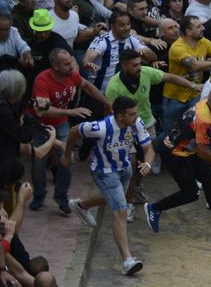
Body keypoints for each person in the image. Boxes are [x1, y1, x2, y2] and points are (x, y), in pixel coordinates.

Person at [66, 96, 154, 277]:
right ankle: (127, 260)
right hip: (104, 172)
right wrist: (67, 155)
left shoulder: (136, 123)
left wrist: (148, 164)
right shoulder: (101, 127)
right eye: (132, 113)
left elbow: (149, 149)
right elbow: (74, 130)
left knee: (114, 199)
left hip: (125, 168)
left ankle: (81, 205)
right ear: (120, 116)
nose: (136, 116)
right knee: (120, 209)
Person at [146, 89, 211, 237]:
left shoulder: (206, 103)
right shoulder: (203, 119)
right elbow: (203, 153)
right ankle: (155, 208)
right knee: (191, 193)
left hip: (186, 150)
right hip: (175, 154)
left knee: (210, 181)